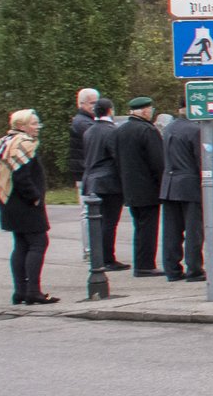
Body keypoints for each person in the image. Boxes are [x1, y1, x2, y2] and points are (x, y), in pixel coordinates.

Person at [0, 110, 55, 304]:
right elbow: (21, 176)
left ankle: (20, 291)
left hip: (7, 201)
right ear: (22, 125)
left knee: (21, 244)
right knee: (38, 243)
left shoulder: (3, 141)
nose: (37, 127)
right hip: (25, 204)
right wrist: (34, 197)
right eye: (34, 123)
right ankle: (33, 291)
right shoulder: (24, 144)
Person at [115, 97, 164, 276]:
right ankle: (145, 265)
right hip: (148, 188)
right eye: (150, 109)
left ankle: (141, 262)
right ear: (145, 111)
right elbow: (157, 162)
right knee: (148, 228)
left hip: (130, 187)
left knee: (139, 227)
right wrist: (161, 184)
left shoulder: (121, 130)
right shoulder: (148, 131)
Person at [159, 108, 206, 282]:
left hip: (169, 184)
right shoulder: (195, 130)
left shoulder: (169, 127)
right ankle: (194, 269)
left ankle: (172, 269)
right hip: (189, 184)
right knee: (193, 229)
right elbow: (200, 159)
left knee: (171, 230)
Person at [80, 98, 128, 271]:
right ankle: (107, 258)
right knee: (109, 221)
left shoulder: (89, 131)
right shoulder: (111, 131)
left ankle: (97, 256)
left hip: (92, 179)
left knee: (97, 221)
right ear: (110, 110)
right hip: (108, 181)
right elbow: (117, 157)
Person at [68, 87, 98, 197]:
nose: (95, 106)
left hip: (85, 171)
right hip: (85, 172)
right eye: (92, 103)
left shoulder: (86, 120)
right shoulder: (83, 122)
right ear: (81, 104)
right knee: (91, 210)